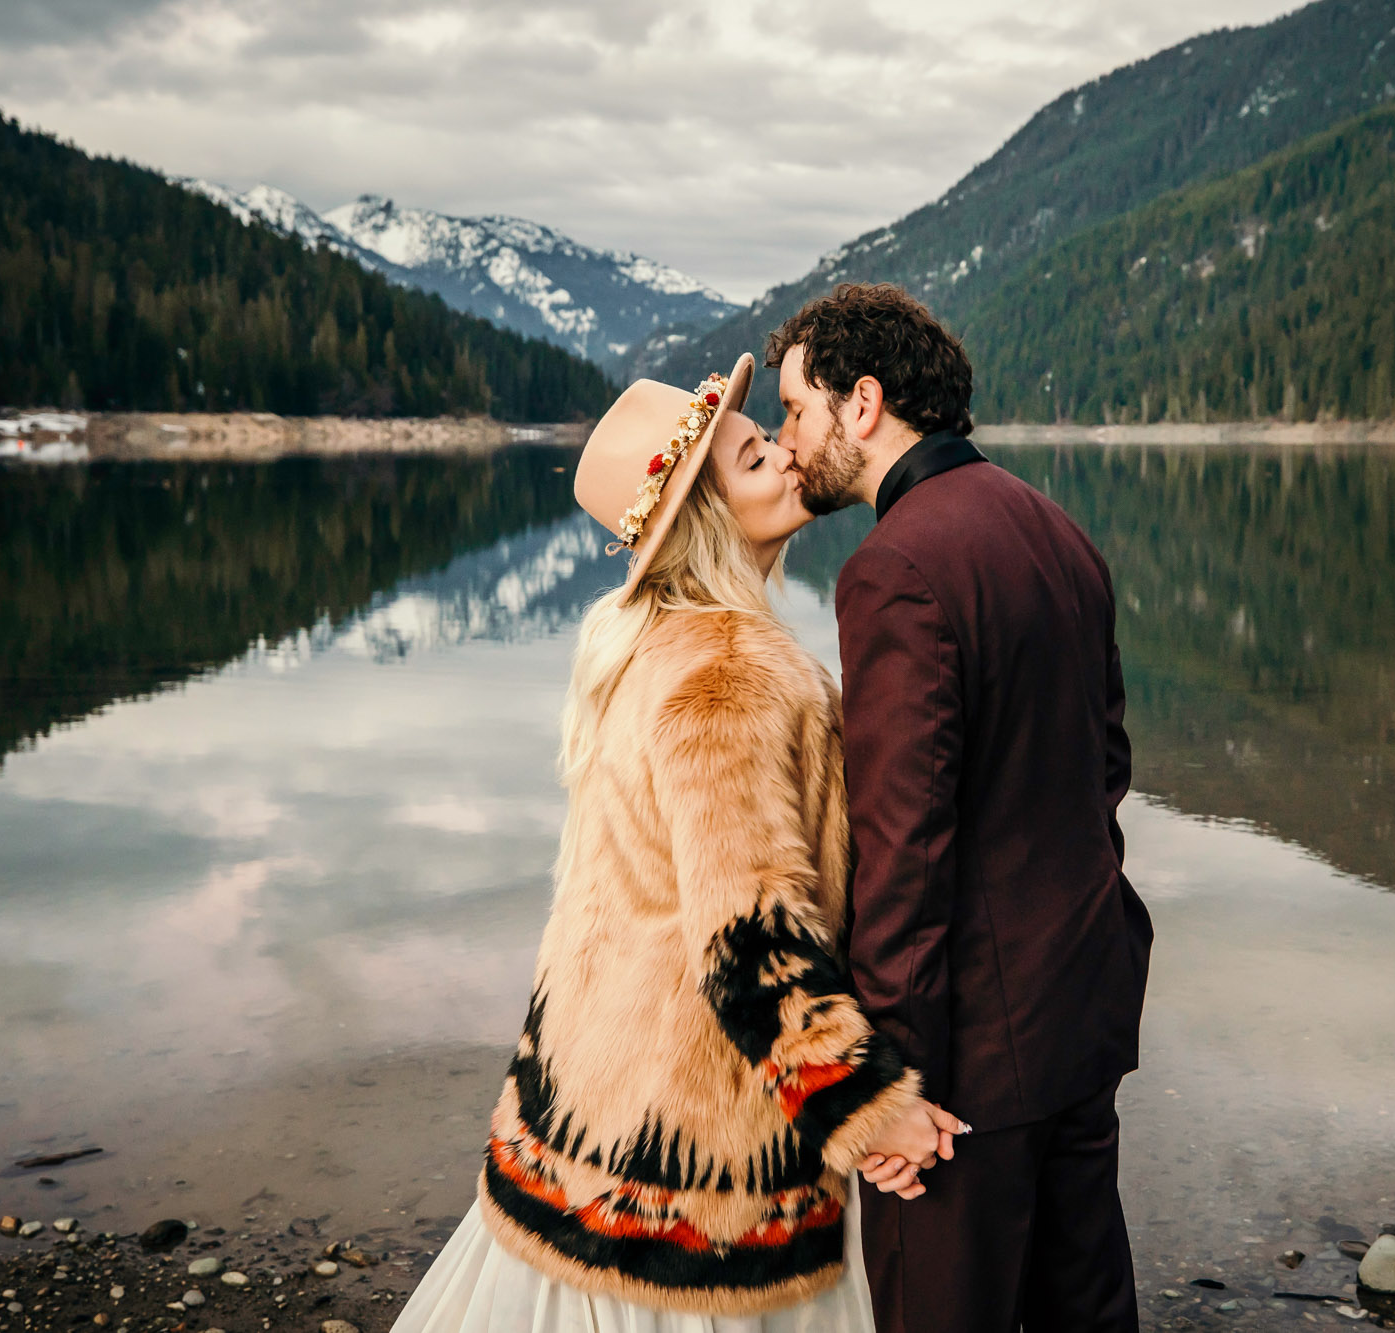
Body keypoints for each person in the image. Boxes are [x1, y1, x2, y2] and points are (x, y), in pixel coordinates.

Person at [392, 352, 965, 1333]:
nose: (788, 458)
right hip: (694, 1150)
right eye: (754, 459)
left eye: (770, 441)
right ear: (702, 516)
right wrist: (869, 1110)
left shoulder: (647, 644)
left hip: (593, 1112)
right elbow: (750, 938)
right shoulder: (729, 669)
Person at [766, 285, 1154, 1333]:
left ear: (863, 403)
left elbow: (903, 846)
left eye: (797, 410)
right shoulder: (1055, 528)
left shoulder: (895, 567)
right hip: (1081, 1006)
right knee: (1086, 1310)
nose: (787, 442)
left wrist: (886, 1082)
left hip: (972, 1062)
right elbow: (1103, 769)